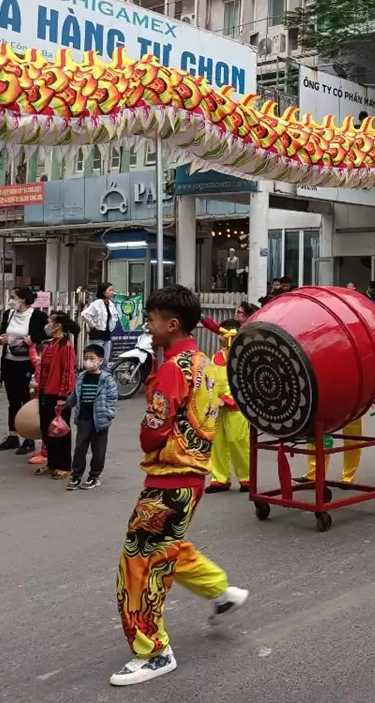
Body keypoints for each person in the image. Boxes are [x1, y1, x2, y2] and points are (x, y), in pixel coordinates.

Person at [111, 284, 248, 687]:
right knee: (167, 548)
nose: (148, 326)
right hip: (190, 478)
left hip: (169, 477)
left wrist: (151, 426)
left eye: (152, 319)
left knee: (139, 564)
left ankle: (153, 651)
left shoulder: (174, 368)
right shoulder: (203, 362)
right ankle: (221, 591)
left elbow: (153, 432)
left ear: (171, 324)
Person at [0, 287, 48, 457]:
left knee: (27, 400)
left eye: (12, 297)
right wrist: (1, 339)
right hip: (10, 361)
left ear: (23, 299)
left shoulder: (37, 316)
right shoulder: (9, 314)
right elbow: (2, 333)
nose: (10, 300)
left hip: (28, 364)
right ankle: (12, 436)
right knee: (13, 400)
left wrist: (32, 339)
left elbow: (47, 334)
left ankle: (29, 439)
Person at [66, 343, 119, 489]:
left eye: (91, 358)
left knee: (98, 450)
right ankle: (75, 476)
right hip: (84, 418)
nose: (88, 361)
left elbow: (112, 399)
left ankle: (94, 476)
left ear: (100, 361)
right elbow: (75, 395)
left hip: (100, 421)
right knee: (79, 448)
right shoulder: (82, 377)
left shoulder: (107, 379)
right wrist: (66, 404)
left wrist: (108, 415)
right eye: (85, 358)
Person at [206, 321, 250, 493]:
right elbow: (210, 380)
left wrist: (226, 400)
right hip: (217, 407)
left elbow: (243, 382)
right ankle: (220, 478)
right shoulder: (216, 356)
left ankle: (246, 478)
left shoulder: (241, 357)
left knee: (238, 442)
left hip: (235, 406)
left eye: (221, 335)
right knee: (218, 444)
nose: (219, 337)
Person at [32, 311, 78, 479]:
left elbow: (68, 371)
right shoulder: (51, 343)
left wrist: (63, 396)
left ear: (58, 325)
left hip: (58, 394)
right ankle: (52, 463)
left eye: (49, 322)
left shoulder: (66, 346)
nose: (47, 326)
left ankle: (64, 466)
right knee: (47, 429)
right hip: (45, 391)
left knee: (61, 430)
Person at [81, 282, 122, 366]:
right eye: (110, 290)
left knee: (105, 361)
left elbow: (114, 317)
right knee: (96, 361)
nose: (112, 292)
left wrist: (111, 328)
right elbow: (84, 314)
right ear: (103, 292)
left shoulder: (111, 304)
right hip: (97, 336)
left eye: (112, 290)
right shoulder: (97, 303)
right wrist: (93, 325)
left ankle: (103, 378)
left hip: (107, 336)